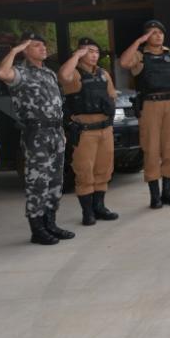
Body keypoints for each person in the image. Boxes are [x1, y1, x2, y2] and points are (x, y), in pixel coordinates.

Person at [0, 31, 74, 245]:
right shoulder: (20, 73)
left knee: (55, 180)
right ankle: (37, 229)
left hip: (55, 132)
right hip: (36, 133)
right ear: (25, 50)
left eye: (43, 45)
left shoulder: (48, 73)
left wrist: (61, 131)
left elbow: (56, 104)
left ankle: (50, 223)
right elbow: (1, 73)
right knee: (37, 181)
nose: (43, 48)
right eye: (36, 45)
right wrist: (15, 50)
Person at [120, 20, 170, 208]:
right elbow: (124, 62)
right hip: (150, 106)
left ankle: (168, 192)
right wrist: (138, 42)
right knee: (151, 150)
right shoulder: (139, 55)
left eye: (160, 32)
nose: (158, 36)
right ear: (146, 36)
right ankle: (155, 196)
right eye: (152, 33)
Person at [58, 37, 120, 225]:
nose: (94, 55)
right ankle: (87, 212)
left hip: (105, 129)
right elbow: (63, 76)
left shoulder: (103, 74)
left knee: (104, 170)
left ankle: (99, 207)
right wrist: (77, 56)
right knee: (85, 172)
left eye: (96, 52)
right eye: (89, 51)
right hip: (84, 132)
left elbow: (112, 96)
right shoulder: (75, 74)